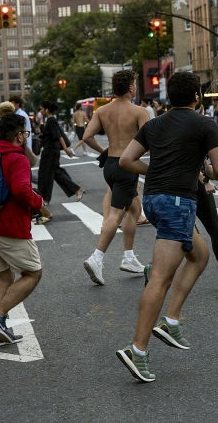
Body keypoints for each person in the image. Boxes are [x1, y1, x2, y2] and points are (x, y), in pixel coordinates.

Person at [116, 71, 218, 382]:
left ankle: (172, 320)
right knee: (160, 279)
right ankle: (137, 350)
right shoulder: (205, 124)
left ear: (169, 98)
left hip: (153, 199)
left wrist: (153, 170)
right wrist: (201, 167)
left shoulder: (154, 124)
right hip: (177, 202)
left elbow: (126, 160)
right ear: (196, 97)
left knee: (200, 255)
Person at [0, 114, 51, 346]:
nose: (26, 138)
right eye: (25, 134)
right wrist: (41, 204)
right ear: (18, 136)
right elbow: (21, 190)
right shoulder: (16, 159)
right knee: (33, 273)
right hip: (7, 227)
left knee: (5, 277)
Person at [81, 70, 151, 285]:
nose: (136, 87)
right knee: (116, 214)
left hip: (110, 165)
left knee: (134, 209)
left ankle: (129, 258)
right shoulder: (139, 112)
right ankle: (97, 258)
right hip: (126, 166)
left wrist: (104, 149)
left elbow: (86, 137)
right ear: (130, 87)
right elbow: (150, 141)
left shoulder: (102, 111)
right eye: (135, 84)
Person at [36, 101, 84, 210]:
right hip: (51, 150)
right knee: (55, 172)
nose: (41, 111)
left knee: (45, 174)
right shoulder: (49, 120)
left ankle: (44, 198)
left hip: (51, 151)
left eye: (41, 109)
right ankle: (75, 190)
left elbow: (59, 136)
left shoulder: (51, 120)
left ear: (46, 109)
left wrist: (66, 150)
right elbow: (53, 135)